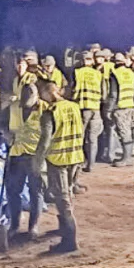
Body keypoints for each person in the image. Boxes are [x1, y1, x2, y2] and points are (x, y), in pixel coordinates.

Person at [34, 79, 85, 254]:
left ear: (49, 93)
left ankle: (69, 241)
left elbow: (45, 140)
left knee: (62, 200)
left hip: (58, 159)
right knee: (68, 194)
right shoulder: (74, 107)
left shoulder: (50, 113)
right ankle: (64, 230)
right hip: (75, 156)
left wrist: (37, 161)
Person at [6, 73, 46, 241]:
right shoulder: (14, 108)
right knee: (13, 191)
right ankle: (14, 225)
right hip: (16, 154)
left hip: (35, 156)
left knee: (35, 191)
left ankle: (33, 226)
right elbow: (3, 124)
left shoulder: (45, 109)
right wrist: (6, 136)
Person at [71, 51, 105, 174]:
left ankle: (79, 163)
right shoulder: (98, 74)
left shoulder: (77, 73)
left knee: (80, 137)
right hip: (96, 108)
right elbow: (104, 93)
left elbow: (73, 89)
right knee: (93, 138)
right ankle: (91, 164)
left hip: (83, 107)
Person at [104, 51, 134, 167]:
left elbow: (113, 94)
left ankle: (126, 158)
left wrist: (109, 110)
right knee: (127, 130)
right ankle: (128, 156)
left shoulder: (115, 74)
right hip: (129, 104)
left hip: (120, 106)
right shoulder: (131, 73)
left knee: (123, 131)